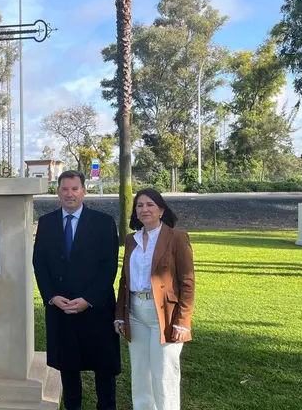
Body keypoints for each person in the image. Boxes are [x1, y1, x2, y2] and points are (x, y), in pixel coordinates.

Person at [32, 170, 121, 410]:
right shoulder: (47, 222)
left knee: (104, 371)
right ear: (57, 192)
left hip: (96, 308)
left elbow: (109, 266)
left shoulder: (103, 223)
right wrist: (51, 297)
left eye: (74, 189)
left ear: (84, 191)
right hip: (61, 308)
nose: (69, 194)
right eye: (64, 189)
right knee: (68, 369)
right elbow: (39, 263)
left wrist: (88, 299)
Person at [114, 188, 195, 410]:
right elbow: (124, 280)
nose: (144, 209)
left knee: (164, 376)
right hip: (135, 312)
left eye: (150, 204)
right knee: (140, 376)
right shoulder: (132, 240)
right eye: (139, 205)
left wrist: (183, 321)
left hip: (164, 315)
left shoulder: (176, 237)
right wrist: (120, 316)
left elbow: (187, 282)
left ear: (161, 210)